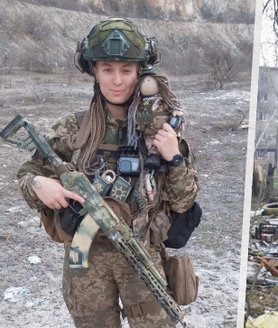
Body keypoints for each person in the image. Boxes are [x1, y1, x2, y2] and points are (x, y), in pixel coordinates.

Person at [16, 17, 199, 328]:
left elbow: (184, 203)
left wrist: (174, 157)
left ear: (141, 74)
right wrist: (38, 185)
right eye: (107, 70)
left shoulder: (160, 130)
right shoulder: (74, 127)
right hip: (83, 256)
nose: (117, 80)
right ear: (93, 72)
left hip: (140, 251)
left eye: (126, 70)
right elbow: (27, 172)